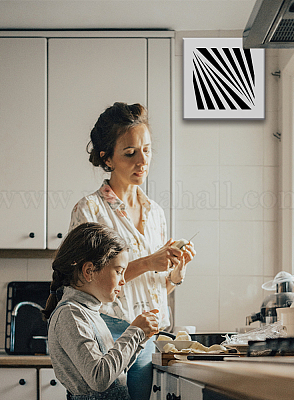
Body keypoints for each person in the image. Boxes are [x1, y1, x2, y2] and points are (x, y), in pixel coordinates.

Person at [69, 102, 196, 400]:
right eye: (130, 153)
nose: (143, 161)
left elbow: (150, 291)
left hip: (152, 339)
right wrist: (150, 261)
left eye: (147, 150)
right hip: (109, 336)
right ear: (107, 158)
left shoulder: (156, 214)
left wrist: (175, 274)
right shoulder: (90, 210)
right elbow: (85, 282)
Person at [42, 222, 160, 400]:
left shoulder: (89, 311)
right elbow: (99, 378)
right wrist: (135, 332)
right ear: (89, 271)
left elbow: (116, 371)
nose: (123, 281)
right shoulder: (70, 315)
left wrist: (141, 338)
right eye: (119, 271)